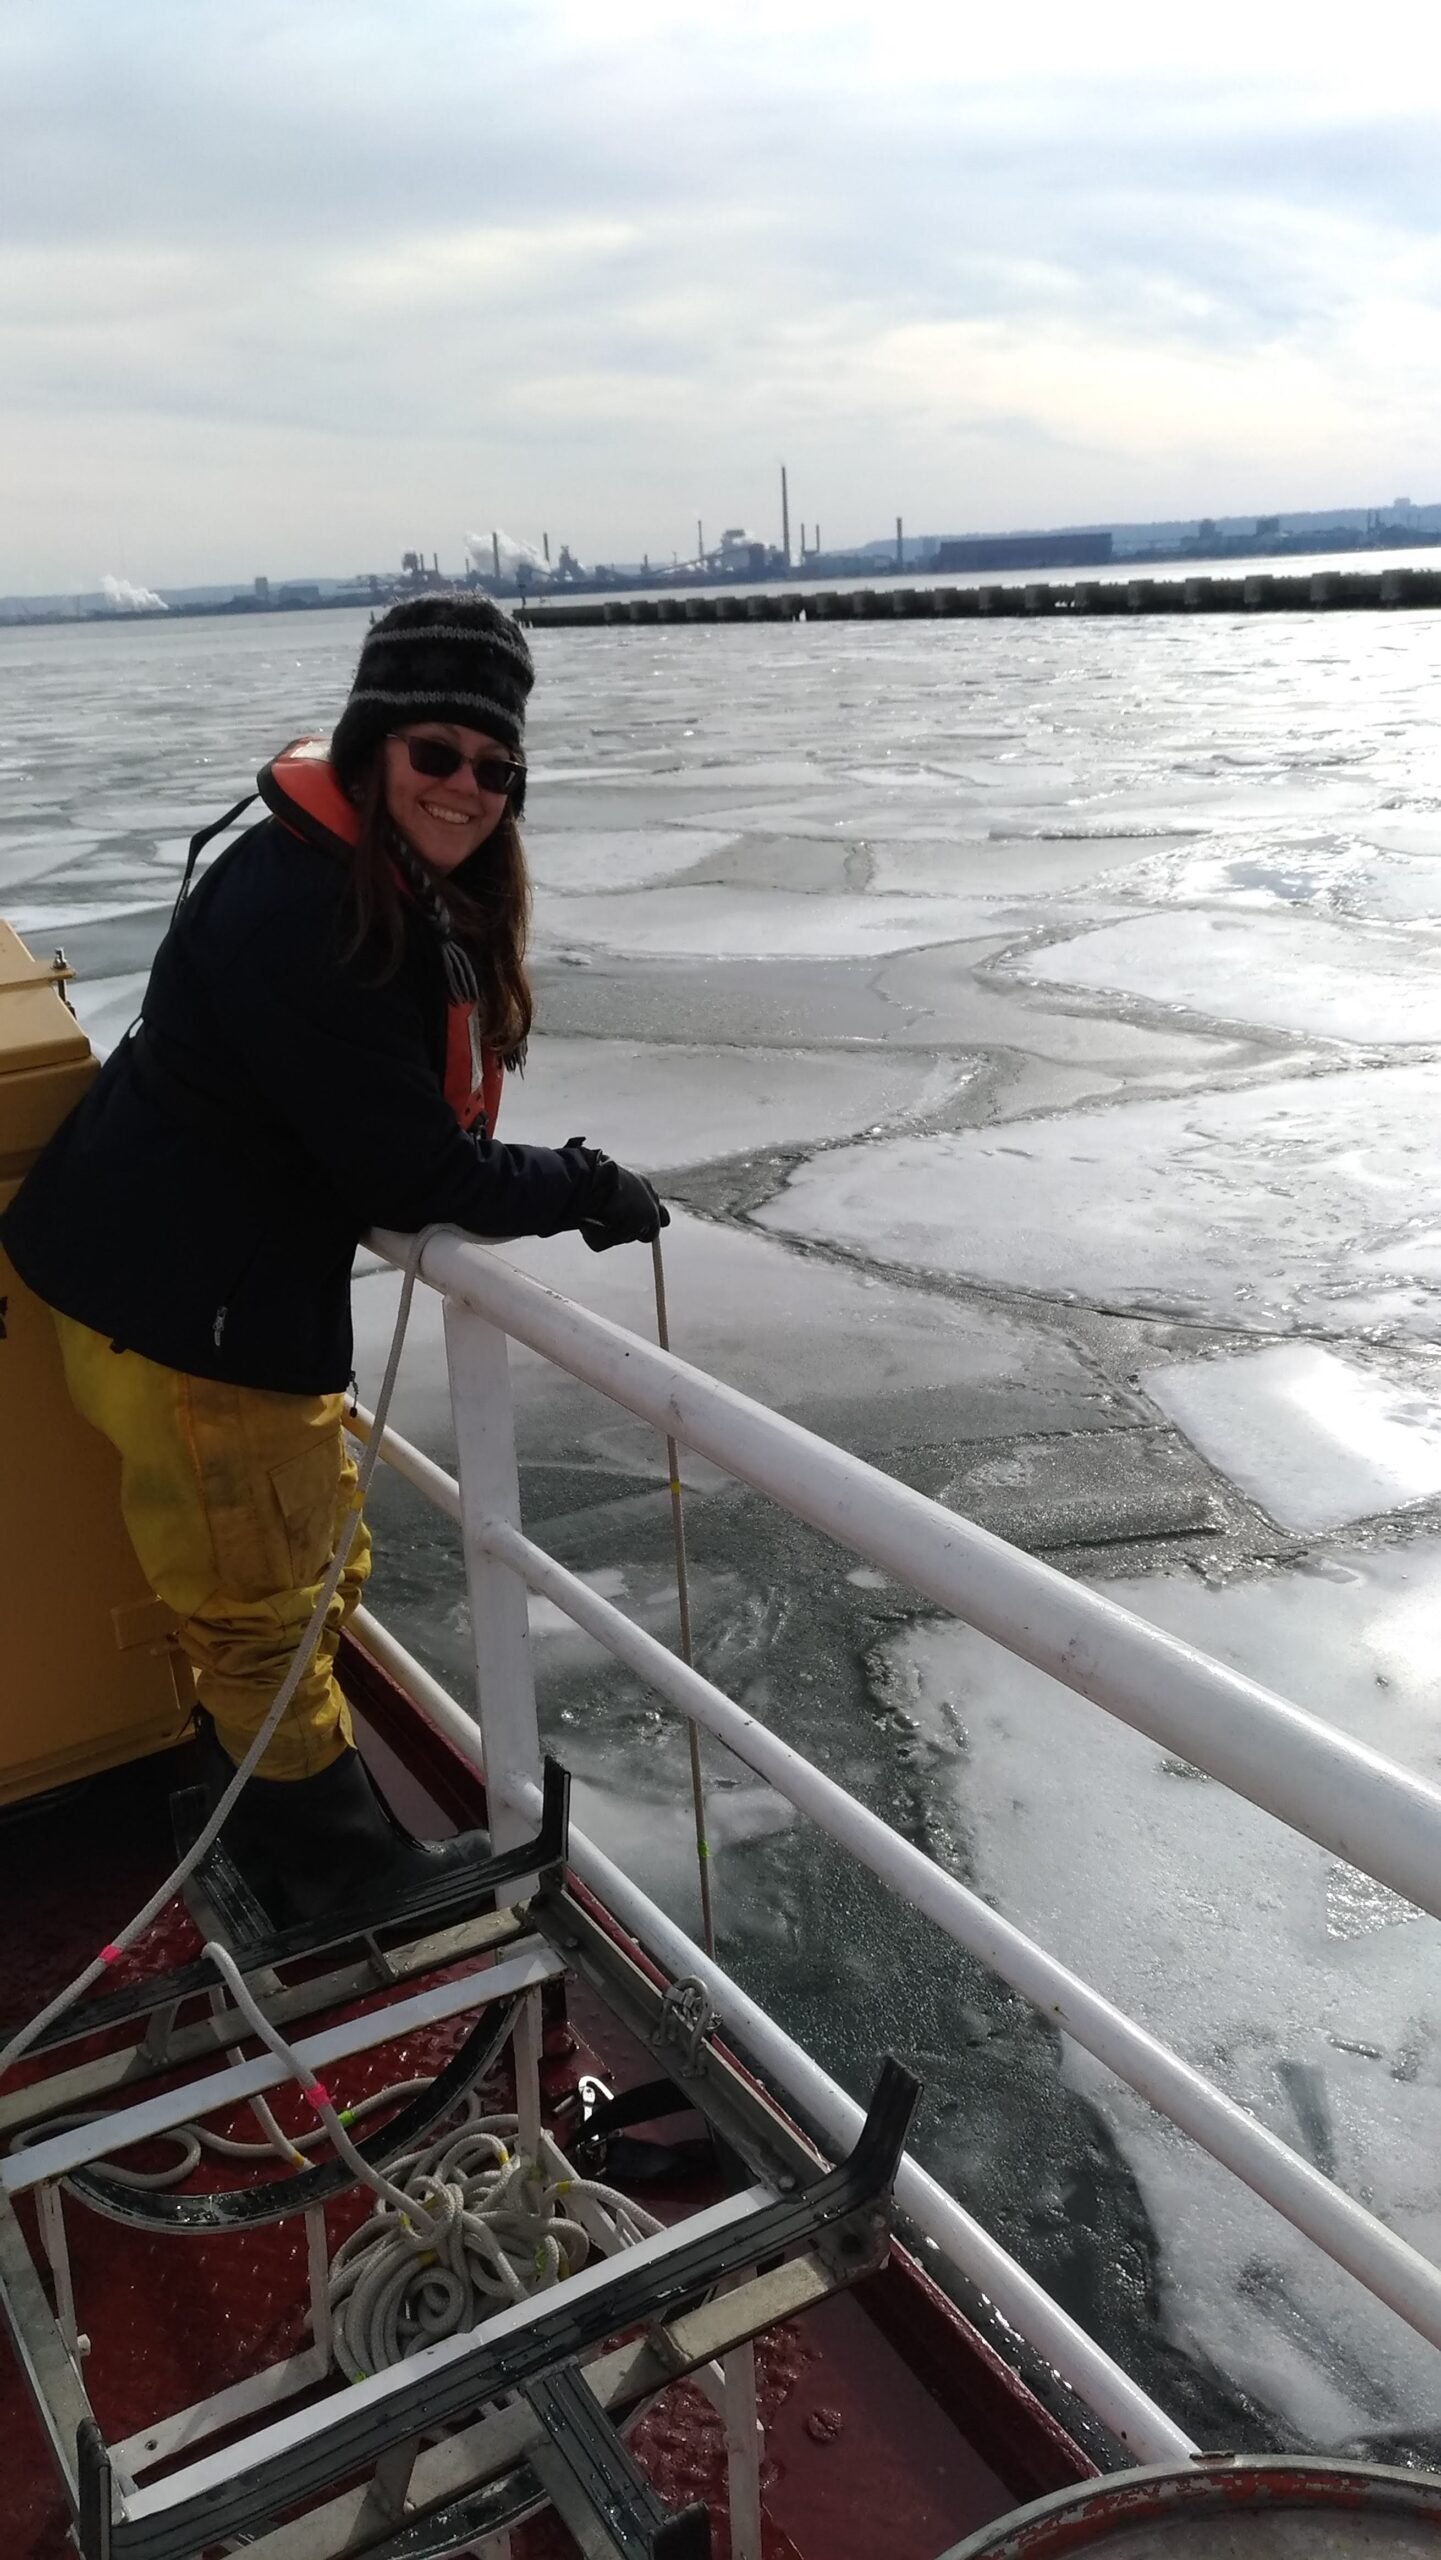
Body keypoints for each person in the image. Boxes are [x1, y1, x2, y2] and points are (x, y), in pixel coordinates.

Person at [0, 596, 666, 1924]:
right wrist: (586, 1188)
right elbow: (412, 1171)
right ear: (371, 750)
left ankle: (268, 1819)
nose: (467, 789)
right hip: (198, 1323)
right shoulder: (319, 920)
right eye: (436, 754)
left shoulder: (319, 873)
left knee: (286, 1573)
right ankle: (336, 1880)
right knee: (260, 1607)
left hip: (155, 1280)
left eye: (494, 767)